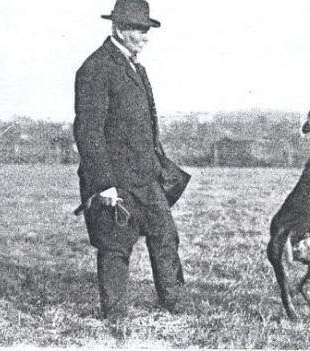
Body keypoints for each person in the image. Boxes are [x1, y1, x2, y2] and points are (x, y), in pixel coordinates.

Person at [73, 0, 188, 320]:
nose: (145, 36)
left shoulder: (137, 67)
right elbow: (88, 130)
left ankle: (174, 303)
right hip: (116, 182)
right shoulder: (95, 68)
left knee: (165, 236)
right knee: (115, 247)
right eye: (139, 29)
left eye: (147, 30)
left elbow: (146, 126)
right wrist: (104, 184)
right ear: (119, 28)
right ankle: (115, 316)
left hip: (146, 178)